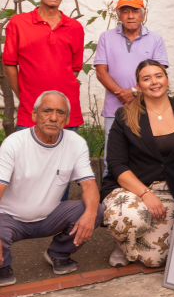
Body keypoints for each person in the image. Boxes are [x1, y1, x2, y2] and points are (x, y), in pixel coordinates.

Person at [102, 60, 174, 268]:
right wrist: (145, 194)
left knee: (155, 260)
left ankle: (132, 242)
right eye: (146, 78)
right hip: (133, 186)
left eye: (158, 76)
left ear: (167, 80)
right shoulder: (125, 115)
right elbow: (116, 164)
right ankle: (122, 241)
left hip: (169, 186)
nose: (154, 82)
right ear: (139, 85)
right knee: (128, 218)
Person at [0, 91, 102, 286]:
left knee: (95, 209)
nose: (53, 118)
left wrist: (90, 215)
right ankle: (3, 265)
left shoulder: (75, 143)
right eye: (47, 111)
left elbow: (89, 184)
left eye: (60, 112)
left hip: (49, 217)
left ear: (67, 119)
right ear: (34, 115)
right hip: (8, 219)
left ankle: (58, 253)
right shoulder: (14, 143)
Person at [3, 0, 84, 132]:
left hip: (66, 109)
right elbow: (9, 65)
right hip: (31, 110)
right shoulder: (18, 23)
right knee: (29, 157)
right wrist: (24, 96)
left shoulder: (75, 27)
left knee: (65, 157)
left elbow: (74, 69)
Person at [95, 0, 169, 174]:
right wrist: (122, 93)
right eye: (125, 12)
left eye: (135, 11)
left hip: (147, 108)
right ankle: (109, 197)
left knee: (145, 157)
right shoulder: (106, 37)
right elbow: (101, 71)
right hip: (115, 109)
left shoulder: (155, 39)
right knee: (111, 160)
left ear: (143, 15)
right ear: (119, 16)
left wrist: (135, 90)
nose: (130, 16)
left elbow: (159, 73)